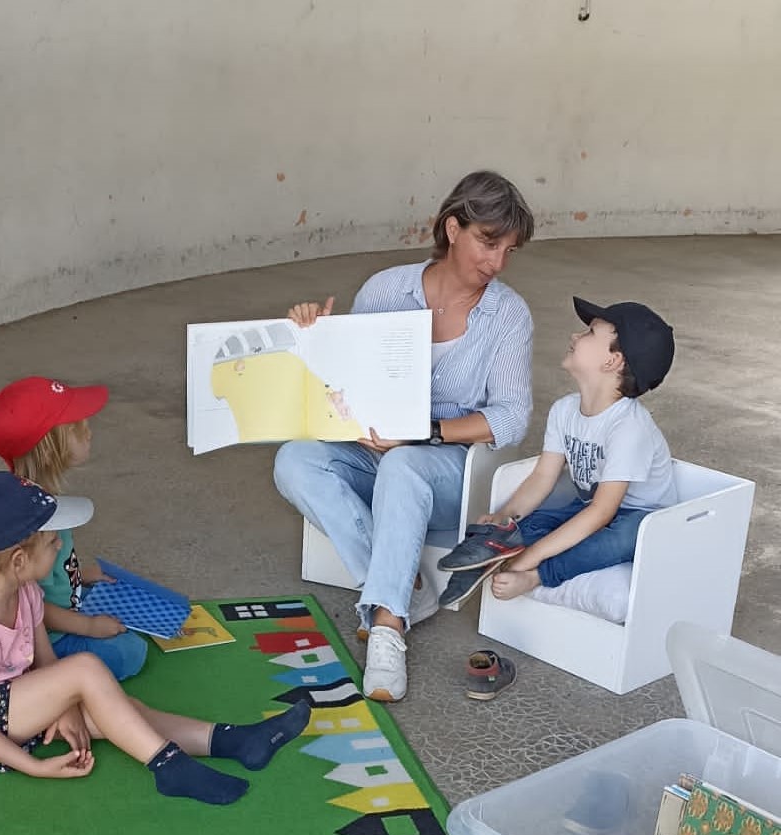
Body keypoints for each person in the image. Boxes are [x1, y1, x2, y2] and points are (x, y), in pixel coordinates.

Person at [273, 169, 535, 703]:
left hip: (451, 472)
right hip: (374, 456)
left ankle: (387, 628)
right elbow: (344, 385)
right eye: (488, 242)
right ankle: (407, 585)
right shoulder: (386, 290)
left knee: (403, 464)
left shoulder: (508, 315)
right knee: (293, 460)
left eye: (508, 250)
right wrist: (315, 339)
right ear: (453, 228)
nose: (497, 263)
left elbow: (512, 418)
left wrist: (424, 433)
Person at [0, 472, 310, 805]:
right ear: (18, 560)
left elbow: (46, 663)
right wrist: (34, 767)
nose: (61, 545)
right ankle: (168, 767)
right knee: (85, 670)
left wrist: (64, 707)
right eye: (53, 541)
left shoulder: (23, 590)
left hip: (4, 698)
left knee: (120, 709)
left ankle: (235, 741)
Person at [438, 297, 676, 604]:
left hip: (640, 518)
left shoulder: (629, 427)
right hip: (590, 507)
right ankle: (492, 550)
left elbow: (603, 511)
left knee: (621, 537)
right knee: (535, 523)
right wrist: (504, 517)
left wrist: (530, 559)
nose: (575, 336)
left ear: (613, 361)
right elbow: (543, 477)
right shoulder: (564, 410)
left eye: (590, 333)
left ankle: (538, 575)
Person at [0, 375, 148, 681]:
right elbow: (31, 604)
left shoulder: (41, 496)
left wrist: (81, 574)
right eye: (77, 429)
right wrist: (89, 627)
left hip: (66, 606)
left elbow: (51, 572)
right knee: (130, 652)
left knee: (129, 606)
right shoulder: (31, 521)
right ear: (49, 449)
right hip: (47, 637)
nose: (89, 433)